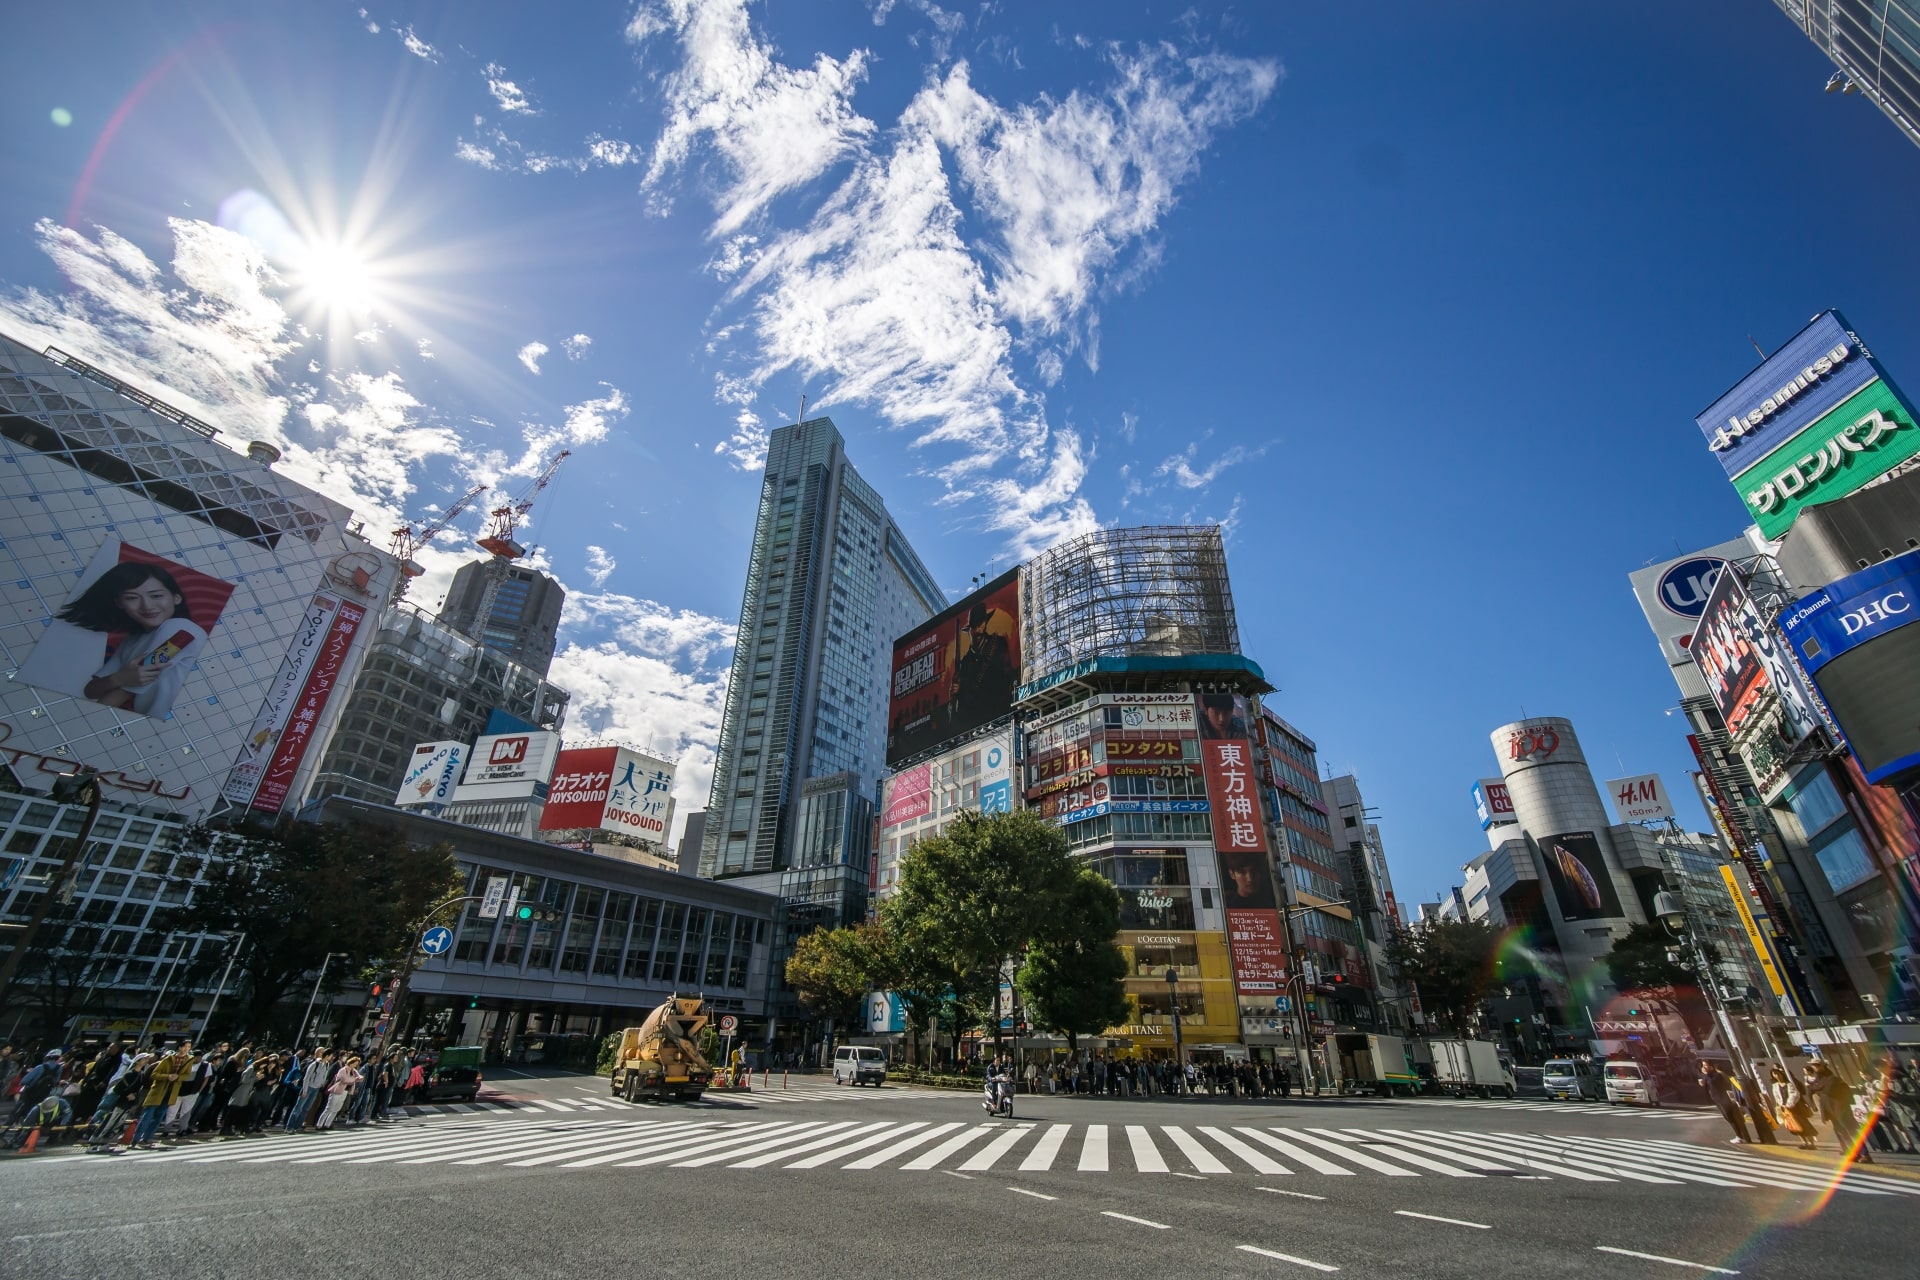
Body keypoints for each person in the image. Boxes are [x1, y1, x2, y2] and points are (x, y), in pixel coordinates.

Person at [59, 561, 210, 718]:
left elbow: (122, 692)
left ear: (176, 598)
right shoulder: (132, 639)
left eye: (156, 595)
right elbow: (91, 690)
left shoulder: (181, 630)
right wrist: (119, 677)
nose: (147, 606)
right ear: (119, 603)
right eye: (132, 598)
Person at [1700, 1062, 1752, 1144]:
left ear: (1711, 1066)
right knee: (1728, 1118)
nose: (1704, 1067)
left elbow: (1717, 1085)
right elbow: (1708, 1087)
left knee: (1731, 1118)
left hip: (1724, 1099)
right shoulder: (1708, 1076)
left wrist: (1706, 1075)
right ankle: (1740, 1136)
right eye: (1703, 1066)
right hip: (1718, 1100)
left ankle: (1740, 1136)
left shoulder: (1717, 1075)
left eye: (1705, 1065)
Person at [1770, 1065, 1818, 1150]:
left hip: (1795, 1107)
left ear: (1782, 1074)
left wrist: (1789, 1104)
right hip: (1785, 1108)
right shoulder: (1775, 1086)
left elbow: (1795, 1094)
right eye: (1774, 1074)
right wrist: (1782, 1104)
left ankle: (1811, 1143)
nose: (1777, 1075)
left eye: (1778, 1073)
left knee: (1803, 1123)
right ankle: (1804, 1142)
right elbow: (1776, 1097)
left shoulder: (1789, 1084)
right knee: (1794, 1125)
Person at [317, 1056, 362, 1129]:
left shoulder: (353, 1071)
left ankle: (327, 1124)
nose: (355, 1066)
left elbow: (359, 1077)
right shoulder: (343, 1070)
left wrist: (357, 1078)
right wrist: (354, 1079)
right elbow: (344, 1079)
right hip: (337, 1090)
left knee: (336, 1109)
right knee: (329, 1108)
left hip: (345, 1091)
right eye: (354, 1063)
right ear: (351, 1062)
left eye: (356, 1064)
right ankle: (319, 1125)